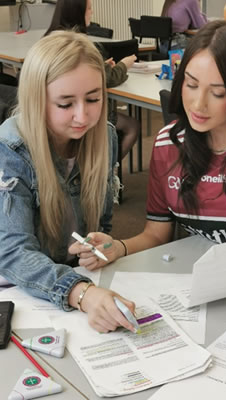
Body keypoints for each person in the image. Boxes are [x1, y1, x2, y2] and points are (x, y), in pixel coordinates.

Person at [70, 21, 226, 297]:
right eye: (190, 85)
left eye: (218, 93)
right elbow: (157, 233)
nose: (197, 104)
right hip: (203, 291)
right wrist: (118, 247)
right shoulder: (169, 143)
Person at [0, 31, 136, 333]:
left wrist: (98, 247)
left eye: (93, 99)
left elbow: (101, 224)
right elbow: (13, 253)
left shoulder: (105, 138)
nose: (82, 116)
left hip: (75, 285)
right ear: (38, 101)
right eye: (65, 104)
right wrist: (81, 293)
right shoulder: (10, 150)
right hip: (20, 290)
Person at [45, 0, 139, 159]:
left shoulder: (49, 39)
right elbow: (109, 78)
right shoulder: (80, 45)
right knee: (132, 126)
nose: (92, 12)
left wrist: (100, 65)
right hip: (85, 125)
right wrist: (124, 64)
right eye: (89, 8)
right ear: (77, 12)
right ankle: (110, 167)